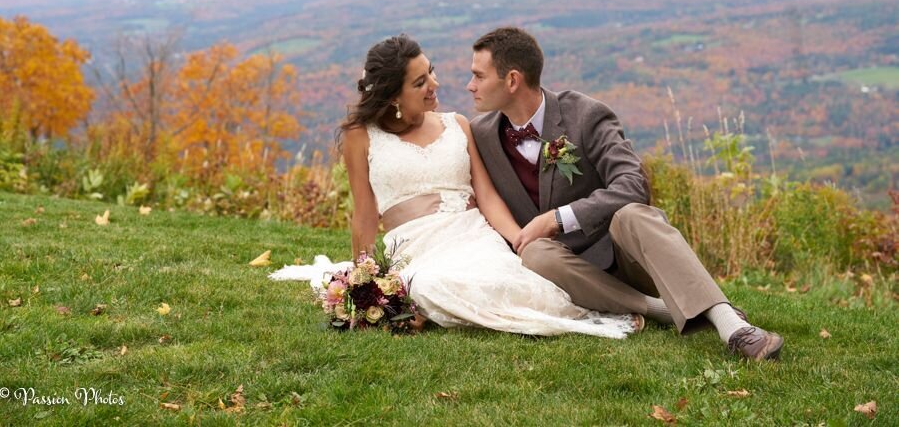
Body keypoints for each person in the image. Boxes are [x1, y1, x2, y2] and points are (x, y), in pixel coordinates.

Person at [467, 26, 784, 360]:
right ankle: (661, 309)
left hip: (622, 257)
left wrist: (558, 219)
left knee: (632, 213)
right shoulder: (481, 135)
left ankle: (732, 325)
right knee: (534, 253)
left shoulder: (584, 114)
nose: (470, 86)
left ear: (512, 80)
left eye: (478, 76)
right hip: (561, 272)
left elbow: (634, 184)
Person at [335, 34, 639, 338]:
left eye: (431, 70)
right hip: (415, 247)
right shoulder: (360, 136)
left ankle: (619, 307)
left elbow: (487, 197)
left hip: (473, 235)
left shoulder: (458, 125)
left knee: (515, 284)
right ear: (393, 96)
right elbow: (364, 215)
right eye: (419, 82)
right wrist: (367, 285)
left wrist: (521, 241)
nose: (434, 84)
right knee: (427, 284)